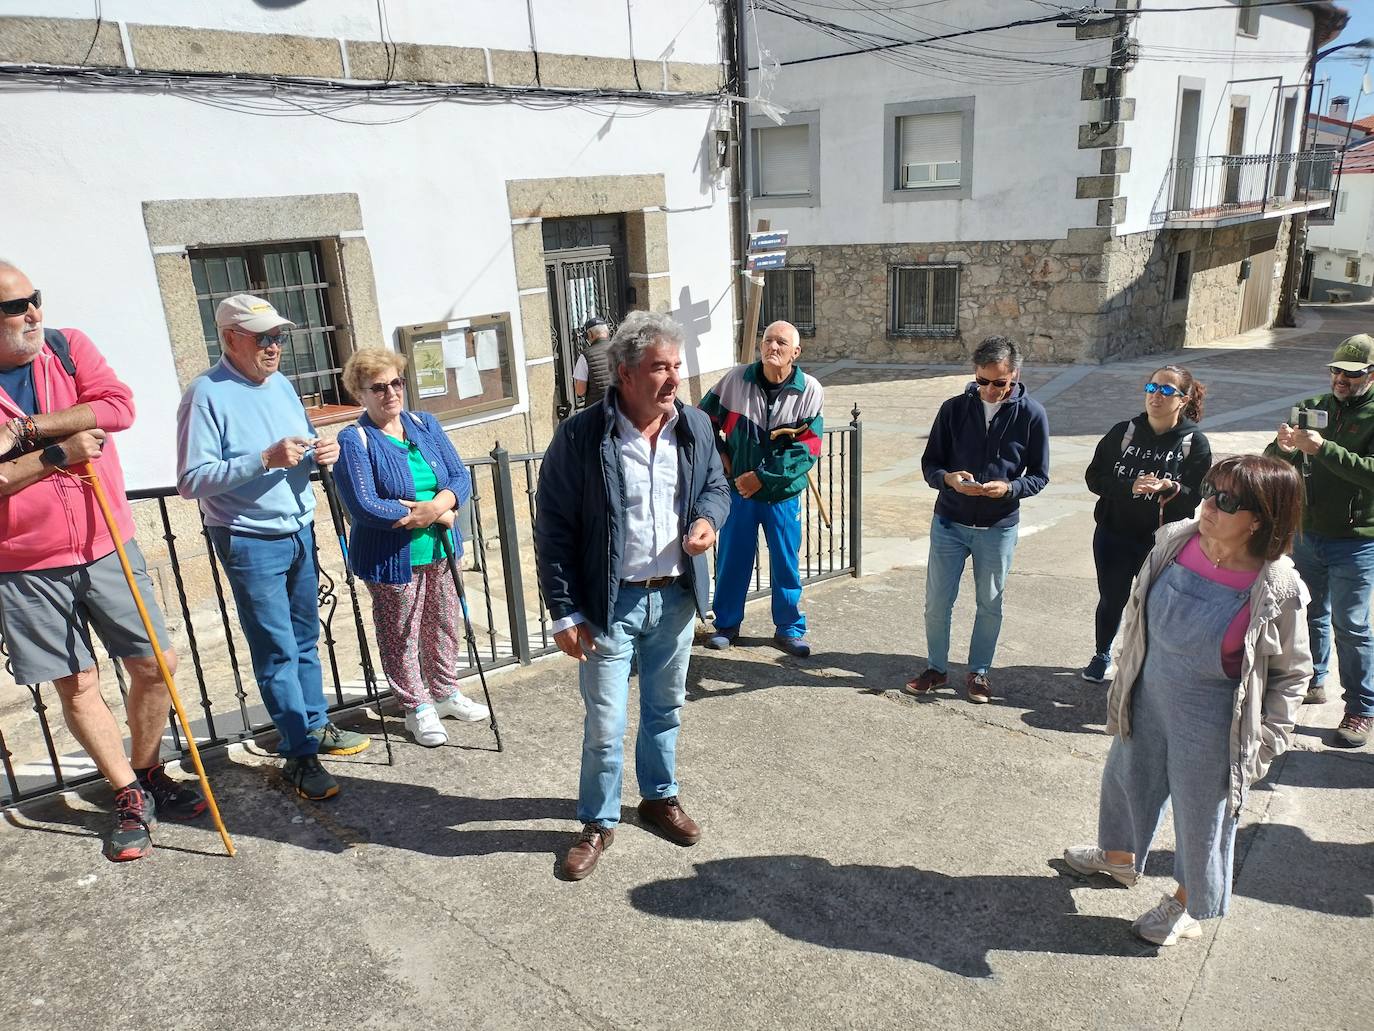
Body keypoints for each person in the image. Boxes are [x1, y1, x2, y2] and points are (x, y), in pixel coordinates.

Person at [0, 261, 205, 862]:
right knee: (79, 682)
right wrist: (55, 453)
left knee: (155, 664)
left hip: (107, 542)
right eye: (15, 307)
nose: (34, 313)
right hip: (24, 564)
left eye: (34, 298)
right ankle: (125, 794)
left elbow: (117, 407)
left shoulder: (67, 349)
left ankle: (147, 770)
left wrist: (27, 433)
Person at [1064, 456, 1310, 947]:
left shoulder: (1276, 585)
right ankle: (1117, 858)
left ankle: (1185, 905)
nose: (1209, 505)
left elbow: (1292, 674)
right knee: (1125, 779)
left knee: (1204, 818)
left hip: (1213, 718)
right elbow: (1137, 614)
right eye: (1208, 490)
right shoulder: (1176, 540)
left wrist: (1265, 744)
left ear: (1260, 517)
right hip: (1150, 690)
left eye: (1227, 500)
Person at [534, 310, 729, 881]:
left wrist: (708, 521)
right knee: (605, 721)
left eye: (676, 366)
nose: (673, 379)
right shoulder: (580, 436)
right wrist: (564, 608)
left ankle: (658, 797)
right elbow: (554, 530)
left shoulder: (691, 425)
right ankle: (597, 820)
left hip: (674, 598)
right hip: (607, 605)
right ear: (624, 373)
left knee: (666, 710)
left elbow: (717, 486)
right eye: (659, 368)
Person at [176, 293, 369, 802]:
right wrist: (264, 458)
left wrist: (321, 451)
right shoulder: (205, 394)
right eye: (263, 338)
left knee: (306, 638)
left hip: (299, 529)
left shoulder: (281, 384)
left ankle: (314, 726)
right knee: (277, 648)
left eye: (279, 337)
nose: (274, 347)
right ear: (231, 338)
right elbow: (192, 480)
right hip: (248, 538)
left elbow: (299, 445)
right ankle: (297, 753)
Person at [332, 347, 489, 748]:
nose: (390, 393)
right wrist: (435, 514)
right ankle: (415, 705)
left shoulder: (425, 424)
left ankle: (444, 690)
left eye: (396, 383)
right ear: (360, 394)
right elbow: (365, 504)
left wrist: (437, 506)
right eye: (378, 387)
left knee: (442, 624)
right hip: (392, 557)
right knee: (400, 632)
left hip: (440, 549)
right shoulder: (355, 439)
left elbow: (458, 475)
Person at [903, 336, 1050, 704]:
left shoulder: (1032, 414)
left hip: (998, 528)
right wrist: (948, 480)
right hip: (950, 522)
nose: (989, 390)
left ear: (1014, 375)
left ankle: (979, 672)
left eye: (999, 383)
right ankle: (936, 668)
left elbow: (1040, 475)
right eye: (982, 381)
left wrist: (1011, 488)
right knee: (937, 602)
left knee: (990, 603)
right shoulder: (953, 409)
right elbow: (930, 464)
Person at [1264, 334, 1374, 749]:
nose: (1340, 379)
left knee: (1353, 626)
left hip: (1357, 540)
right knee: (1307, 614)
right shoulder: (1313, 407)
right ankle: (1314, 678)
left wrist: (1324, 449)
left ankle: (1361, 707)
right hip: (1308, 532)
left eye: (1350, 373)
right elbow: (1278, 463)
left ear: (1371, 374)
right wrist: (1283, 446)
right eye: (1335, 371)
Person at [699, 320, 824, 657]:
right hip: (738, 491)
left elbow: (807, 448)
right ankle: (725, 625)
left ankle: (789, 628)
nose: (773, 347)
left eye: (782, 343)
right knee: (732, 558)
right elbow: (701, 421)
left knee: (786, 562)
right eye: (768, 340)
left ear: (795, 352)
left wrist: (763, 477)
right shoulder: (735, 380)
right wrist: (721, 456)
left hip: (781, 495)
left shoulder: (809, 390)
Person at [1081, 366, 1213, 682]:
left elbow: (1196, 496)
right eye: (1152, 387)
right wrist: (1129, 487)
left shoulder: (1194, 443)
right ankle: (1102, 654)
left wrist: (1170, 488)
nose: (1156, 395)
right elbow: (1094, 477)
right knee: (1112, 597)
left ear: (1183, 399)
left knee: (1155, 605)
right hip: (1114, 532)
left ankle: (1145, 661)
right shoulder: (1123, 432)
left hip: (1162, 541)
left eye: (1167, 391)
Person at [572, 316, 613, 407]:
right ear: (607, 332)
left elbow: (580, 390)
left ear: (590, 334)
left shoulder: (586, 356)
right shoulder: (620, 348)